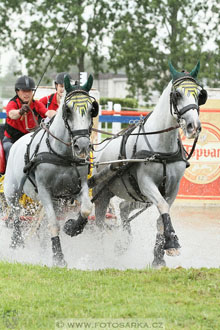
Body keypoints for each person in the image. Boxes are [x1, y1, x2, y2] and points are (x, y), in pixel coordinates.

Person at [3, 75, 57, 162]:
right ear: (17, 91)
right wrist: (20, 111)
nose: (27, 94)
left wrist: (58, 115)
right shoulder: (12, 103)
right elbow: (12, 114)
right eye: (24, 91)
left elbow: (48, 112)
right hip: (12, 140)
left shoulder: (36, 104)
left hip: (29, 140)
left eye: (29, 91)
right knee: (8, 148)